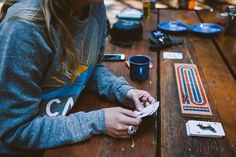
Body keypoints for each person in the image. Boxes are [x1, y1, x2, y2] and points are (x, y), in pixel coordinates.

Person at [0, 0, 155, 156]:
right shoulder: (23, 28)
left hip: (62, 133)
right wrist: (97, 122)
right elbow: (15, 129)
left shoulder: (95, 6)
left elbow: (90, 65)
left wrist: (121, 90)